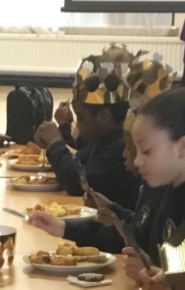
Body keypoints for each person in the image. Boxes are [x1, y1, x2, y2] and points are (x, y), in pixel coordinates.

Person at [28, 85, 185, 260]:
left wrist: (160, 278)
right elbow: (137, 235)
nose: (137, 160)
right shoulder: (164, 188)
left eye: (147, 151)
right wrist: (65, 227)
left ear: (182, 146)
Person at [31, 55, 144, 211]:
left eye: (81, 118)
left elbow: (75, 181)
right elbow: (76, 160)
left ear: (104, 117)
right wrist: (62, 131)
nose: (78, 124)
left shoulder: (119, 149)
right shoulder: (104, 139)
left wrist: (55, 142)